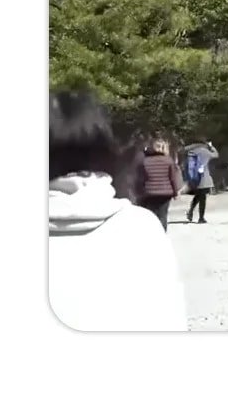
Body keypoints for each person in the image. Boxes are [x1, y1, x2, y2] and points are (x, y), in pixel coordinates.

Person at [49, 91, 188, 331]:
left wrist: (142, 189)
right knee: (160, 219)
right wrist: (175, 190)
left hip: (150, 193)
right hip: (162, 196)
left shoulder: (145, 163)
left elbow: (142, 178)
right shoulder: (141, 229)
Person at [135, 138, 181, 229]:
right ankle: (162, 236)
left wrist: (139, 193)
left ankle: (151, 235)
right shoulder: (168, 161)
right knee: (163, 216)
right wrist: (176, 193)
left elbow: (141, 179)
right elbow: (173, 179)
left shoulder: (145, 161)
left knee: (151, 216)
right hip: (165, 193)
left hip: (149, 193)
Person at [181, 139, 218, 224]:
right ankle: (201, 218)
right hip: (203, 178)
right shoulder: (205, 152)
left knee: (198, 195)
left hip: (193, 177)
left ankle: (191, 210)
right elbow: (216, 155)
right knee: (202, 198)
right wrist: (211, 146)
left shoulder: (190, 152)